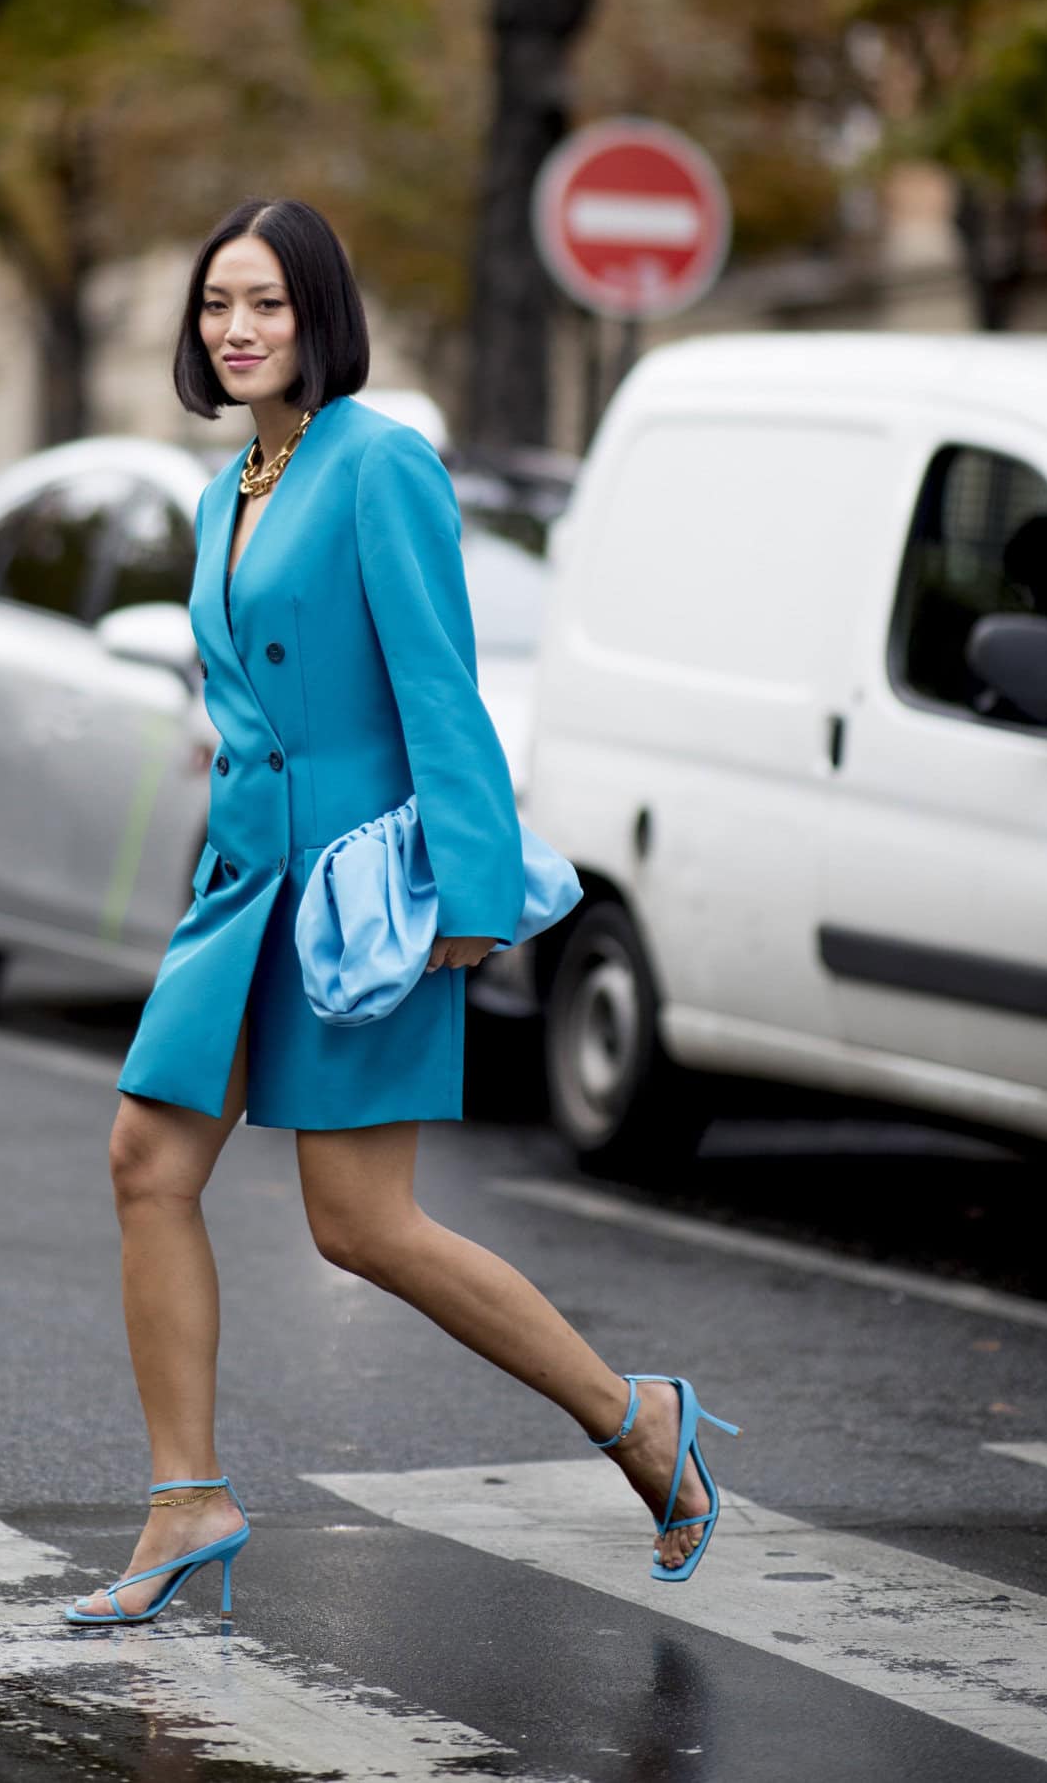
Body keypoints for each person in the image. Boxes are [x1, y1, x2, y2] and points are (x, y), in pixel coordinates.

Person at [66, 198, 735, 1626]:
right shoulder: (223, 487)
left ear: (320, 316)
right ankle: (188, 1497)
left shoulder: (381, 466)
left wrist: (474, 895)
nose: (236, 331)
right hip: (241, 887)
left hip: (360, 896)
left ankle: (640, 1422)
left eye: (266, 305)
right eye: (214, 306)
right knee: (143, 1161)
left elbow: (441, 685)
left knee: (363, 1228)